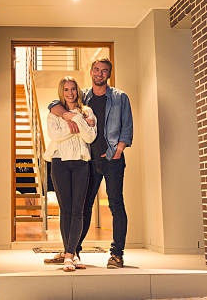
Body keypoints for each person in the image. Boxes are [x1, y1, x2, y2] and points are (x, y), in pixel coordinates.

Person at [45, 58, 133, 269]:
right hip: (89, 160)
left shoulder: (120, 97)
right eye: (96, 70)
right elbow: (54, 104)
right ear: (91, 72)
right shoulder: (84, 95)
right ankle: (72, 250)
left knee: (116, 204)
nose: (99, 74)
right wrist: (67, 115)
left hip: (112, 159)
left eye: (104, 71)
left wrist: (119, 150)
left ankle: (117, 254)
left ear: (109, 74)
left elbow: (127, 126)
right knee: (82, 207)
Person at [43, 76, 97, 272]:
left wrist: (75, 118)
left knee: (78, 210)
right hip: (60, 162)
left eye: (73, 89)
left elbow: (90, 137)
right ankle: (69, 254)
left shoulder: (87, 111)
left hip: (81, 162)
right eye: (66, 89)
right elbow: (55, 136)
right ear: (61, 92)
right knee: (65, 210)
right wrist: (79, 123)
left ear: (78, 91)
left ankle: (70, 254)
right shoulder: (54, 113)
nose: (70, 93)